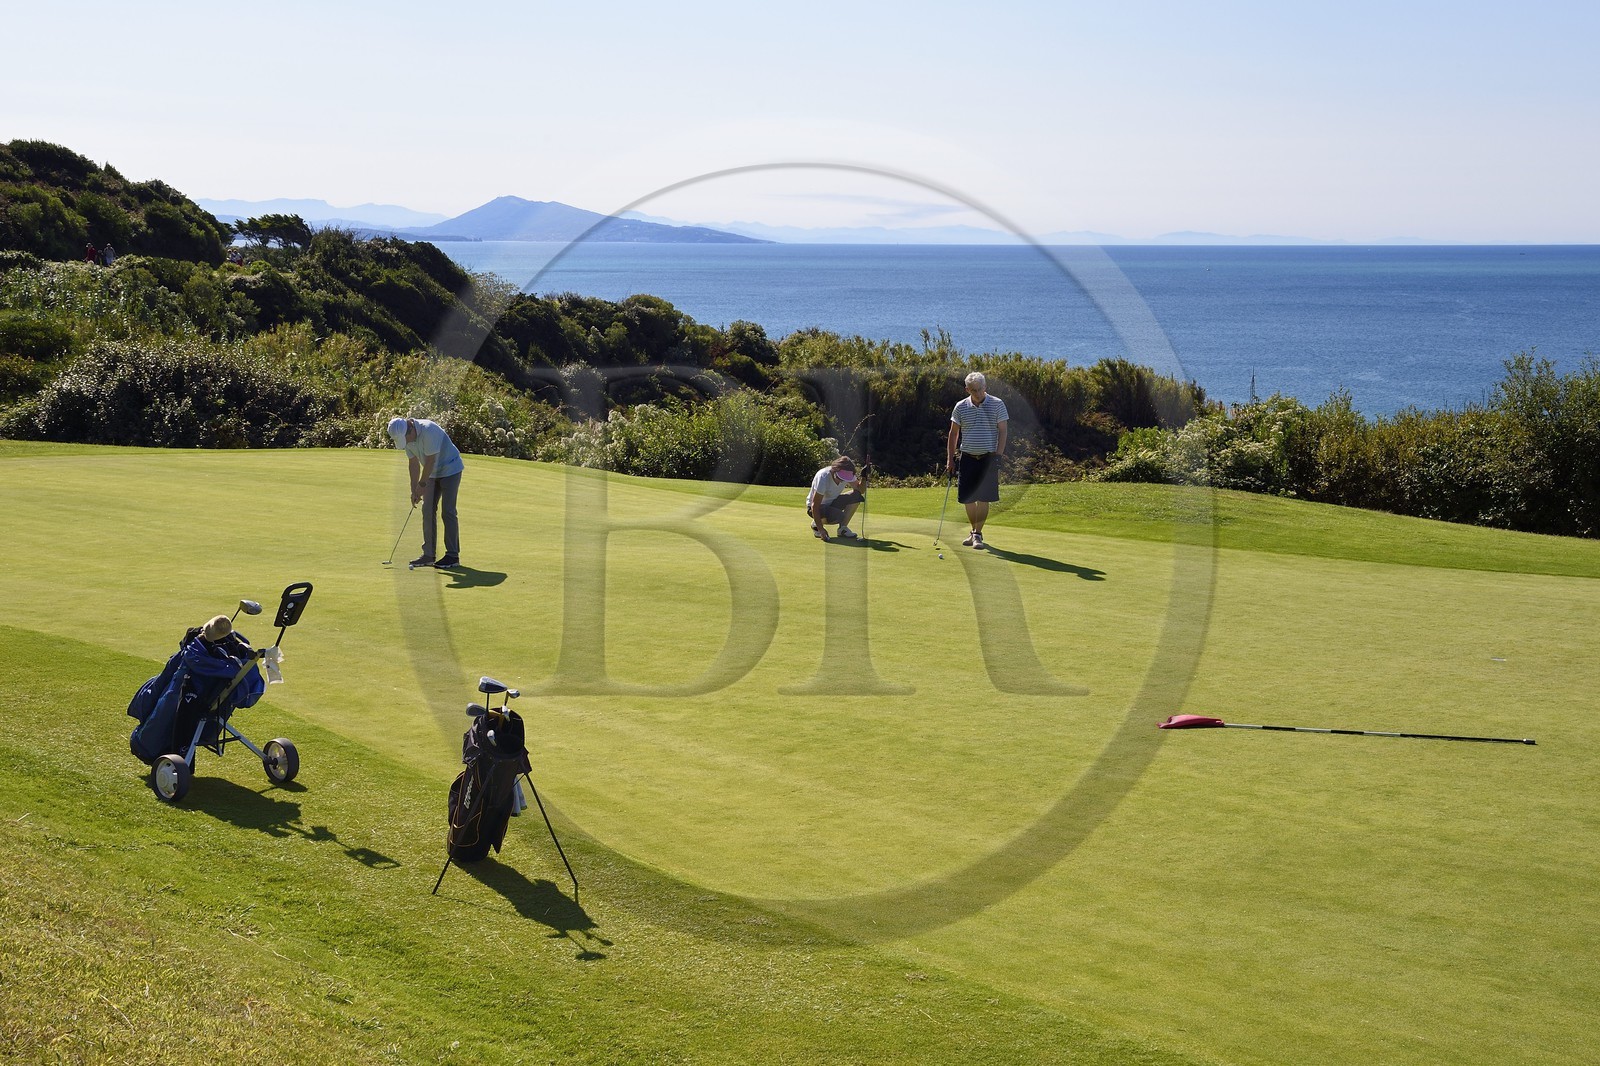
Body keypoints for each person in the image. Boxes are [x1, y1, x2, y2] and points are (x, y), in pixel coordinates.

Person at [387, 416, 464, 568]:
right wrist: (414, 489)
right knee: (427, 509)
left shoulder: (428, 430)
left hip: (451, 469)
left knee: (447, 511)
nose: (407, 443)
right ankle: (428, 554)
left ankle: (452, 556)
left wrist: (422, 484)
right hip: (432, 474)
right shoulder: (408, 439)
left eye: (406, 439)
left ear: (410, 428)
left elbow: (430, 461)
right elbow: (413, 464)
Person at [946, 371, 1008, 549]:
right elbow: (953, 434)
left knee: (983, 498)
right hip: (967, 458)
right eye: (974, 390)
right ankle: (973, 532)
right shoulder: (960, 407)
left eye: (980, 389)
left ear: (985, 387)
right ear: (967, 389)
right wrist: (950, 459)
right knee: (967, 499)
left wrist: (999, 455)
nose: (978, 393)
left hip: (988, 458)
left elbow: (1003, 431)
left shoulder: (997, 404)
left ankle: (977, 534)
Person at [805, 455, 866, 541]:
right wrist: (821, 529)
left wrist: (864, 477)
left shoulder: (848, 473)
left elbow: (860, 490)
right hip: (815, 508)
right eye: (839, 477)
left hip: (832, 502)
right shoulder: (823, 477)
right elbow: (815, 505)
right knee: (838, 516)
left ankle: (842, 529)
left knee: (857, 496)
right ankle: (816, 525)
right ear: (835, 470)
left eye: (844, 479)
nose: (841, 481)